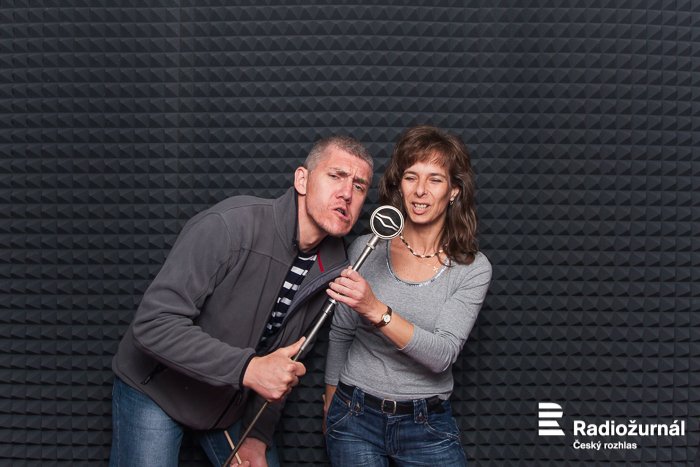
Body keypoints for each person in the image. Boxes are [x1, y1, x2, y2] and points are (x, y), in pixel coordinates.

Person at [109, 135, 373, 467]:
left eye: (359, 186)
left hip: (224, 400)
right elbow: (153, 324)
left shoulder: (332, 267)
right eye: (336, 176)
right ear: (302, 180)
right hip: (158, 389)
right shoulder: (231, 225)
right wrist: (249, 368)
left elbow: (285, 363)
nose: (347, 193)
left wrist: (258, 435)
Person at [323, 125, 492, 466]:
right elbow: (341, 331)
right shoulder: (367, 248)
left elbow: (442, 354)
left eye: (435, 179)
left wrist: (376, 309)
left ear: (454, 191)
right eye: (411, 177)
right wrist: (330, 403)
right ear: (399, 184)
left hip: (426, 424)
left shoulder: (472, 269)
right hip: (354, 415)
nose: (420, 191)